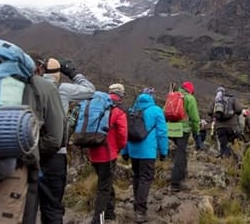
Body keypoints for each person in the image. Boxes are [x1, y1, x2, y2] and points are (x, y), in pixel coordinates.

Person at [0, 53, 64, 224]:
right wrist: (32, 149)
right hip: (41, 161)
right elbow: (55, 139)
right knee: (48, 209)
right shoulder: (48, 88)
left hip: (1, 161)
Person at [38, 57, 95, 223]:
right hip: (55, 154)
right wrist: (72, 72)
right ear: (57, 74)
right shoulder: (62, 89)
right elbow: (90, 90)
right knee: (53, 207)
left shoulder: (30, 87)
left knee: (29, 204)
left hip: (30, 153)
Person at [122, 92, 168, 223]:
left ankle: (137, 205)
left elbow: (125, 132)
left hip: (133, 151)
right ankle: (140, 211)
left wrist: (124, 151)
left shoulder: (132, 110)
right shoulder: (156, 110)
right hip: (148, 152)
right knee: (145, 178)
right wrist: (163, 151)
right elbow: (162, 133)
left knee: (137, 177)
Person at [87, 83, 128, 224]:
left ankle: (110, 212)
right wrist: (120, 148)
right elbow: (123, 135)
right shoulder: (118, 111)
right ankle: (98, 219)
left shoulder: (97, 106)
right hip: (108, 154)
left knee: (105, 182)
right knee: (103, 188)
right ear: (121, 95)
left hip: (93, 152)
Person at [168, 81, 200, 192]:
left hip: (171, 129)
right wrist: (196, 132)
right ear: (191, 90)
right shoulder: (190, 98)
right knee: (180, 154)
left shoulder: (173, 96)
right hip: (183, 130)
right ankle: (175, 182)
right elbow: (195, 118)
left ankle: (183, 174)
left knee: (180, 152)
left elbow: (165, 111)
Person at [207, 86, 243, 159]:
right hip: (232, 126)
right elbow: (239, 110)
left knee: (223, 145)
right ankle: (234, 160)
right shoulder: (232, 99)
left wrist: (215, 116)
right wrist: (234, 114)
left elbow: (209, 111)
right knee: (233, 143)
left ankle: (225, 161)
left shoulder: (215, 100)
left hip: (220, 127)